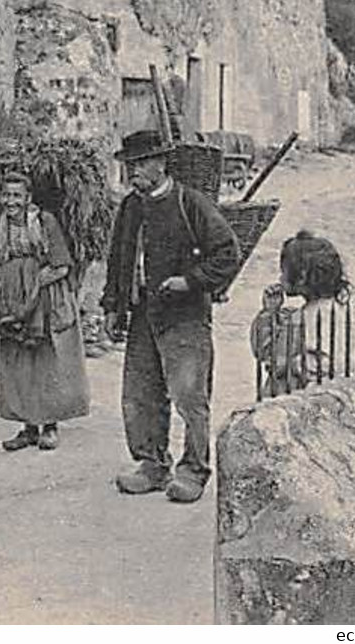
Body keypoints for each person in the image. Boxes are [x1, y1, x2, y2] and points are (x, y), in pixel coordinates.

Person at [100, 129, 241, 504]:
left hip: (185, 315)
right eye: (130, 166)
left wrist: (191, 281)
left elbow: (227, 253)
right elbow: (119, 259)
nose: (134, 173)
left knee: (189, 396)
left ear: (161, 164)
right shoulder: (131, 207)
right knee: (140, 394)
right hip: (143, 311)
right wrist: (114, 306)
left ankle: (193, 470)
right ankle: (151, 464)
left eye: (141, 164)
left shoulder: (190, 204)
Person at [0, 171, 89, 451]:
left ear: (28, 198)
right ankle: (28, 426)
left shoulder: (44, 222)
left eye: (17, 196)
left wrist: (34, 284)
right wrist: (7, 277)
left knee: (46, 358)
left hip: (47, 295)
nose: (11, 202)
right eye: (6, 195)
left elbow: (61, 265)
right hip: (13, 298)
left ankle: (50, 425)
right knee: (18, 360)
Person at [250, 231, 353, 393]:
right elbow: (266, 353)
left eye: (284, 271)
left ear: (302, 276)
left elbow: (328, 364)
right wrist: (269, 313)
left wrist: (290, 364)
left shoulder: (315, 316)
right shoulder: (298, 315)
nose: (280, 278)